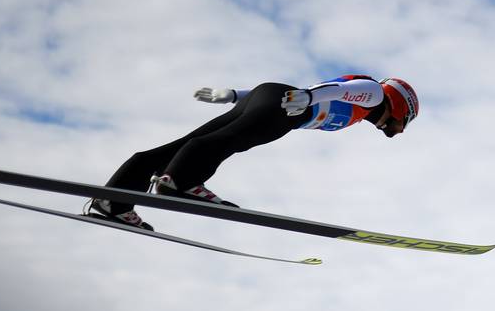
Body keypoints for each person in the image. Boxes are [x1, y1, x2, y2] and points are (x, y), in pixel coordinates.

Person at [85, 75, 418, 230]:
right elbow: (340, 90)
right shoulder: (373, 93)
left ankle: (113, 202)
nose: (390, 129)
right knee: (230, 140)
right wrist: (308, 98)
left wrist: (235, 96)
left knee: (184, 145)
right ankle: (180, 182)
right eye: (398, 124)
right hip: (287, 107)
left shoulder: (364, 104)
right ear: (401, 106)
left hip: (271, 96)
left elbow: (326, 90)